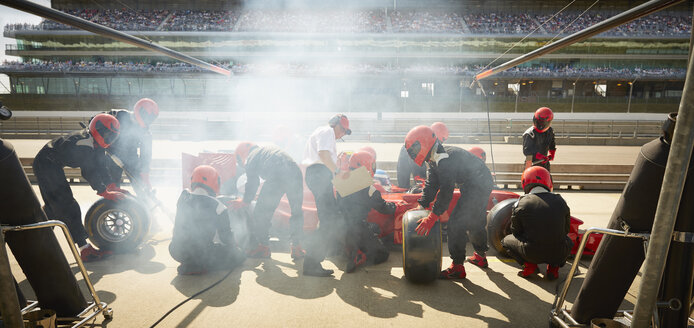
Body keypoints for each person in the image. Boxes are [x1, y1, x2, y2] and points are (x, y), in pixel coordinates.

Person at [404, 125, 493, 279]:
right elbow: (432, 184)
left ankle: (458, 266)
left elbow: (446, 191)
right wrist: (422, 205)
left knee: (456, 224)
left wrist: (433, 217)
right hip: (474, 182)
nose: (412, 154)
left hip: (479, 184)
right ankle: (480, 256)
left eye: (414, 149)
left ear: (423, 143)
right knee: (475, 221)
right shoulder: (433, 158)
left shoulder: (444, 159)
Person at [33, 114, 123, 262]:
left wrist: (111, 185)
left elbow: (101, 165)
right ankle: (85, 249)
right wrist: (103, 191)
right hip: (46, 164)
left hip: (52, 164)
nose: (109, 139)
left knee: (53, 208)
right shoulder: (85, 143)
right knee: (68, 205)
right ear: (98, 129)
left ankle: (37, 245)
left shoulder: (96, 143)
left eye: (112, 137)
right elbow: (89, 171)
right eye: (107, 134)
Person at [231, 142, 305, 261]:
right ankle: (296, 247)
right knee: (296, 212)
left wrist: (245, 200)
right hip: (295, 171)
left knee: (260, 213)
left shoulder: (252, 156)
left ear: (242, 154)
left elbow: (253, 182)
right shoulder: (267, 150)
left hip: (277, 174)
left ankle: (263, 247)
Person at [169, 165, 245, 275]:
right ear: (215, 182)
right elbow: (226, 238)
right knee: (238, 256)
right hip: (201, 253)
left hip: (176, 250)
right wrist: (235, 247)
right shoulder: (218, 206)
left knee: (195, 248)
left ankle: (189, 263)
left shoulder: (183, 198)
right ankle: (197, 266)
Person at [301, 114, 351, 277]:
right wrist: (337, 171)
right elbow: (323, 154)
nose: (342, 133)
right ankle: (311, 261)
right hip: (319, 174)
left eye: (345, 131)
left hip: (319, 174)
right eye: (342, 129)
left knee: (328, 218)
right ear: (334, 124)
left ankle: (314, 259)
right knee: (328, 219)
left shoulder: (323, 132)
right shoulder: (327, 131)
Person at [501, 166, 573, 280]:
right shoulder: (561, 201)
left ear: (525, 182)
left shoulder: (521, 202)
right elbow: (566, 230)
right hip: (558, 252)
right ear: (548, 182)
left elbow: (515, 231)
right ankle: (553, 269)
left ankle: (529, 267)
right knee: (568, 241)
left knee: (505, 241)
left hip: (531, 252)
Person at [338, 151, 396, 273]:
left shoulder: (341, 182)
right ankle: (360, 255)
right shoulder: (367, 187)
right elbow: (383, 208)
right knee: (383, 254)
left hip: (341, 229)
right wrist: (394, 207)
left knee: (373, 228)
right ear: (366, 166)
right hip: (357, 229)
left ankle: (350, 250)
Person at [102, 98, 159, 193]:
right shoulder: (118, 115)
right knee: (113, 189)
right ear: (141, 112)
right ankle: (113, 206)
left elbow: (146, 155)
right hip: (111, 154)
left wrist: (145, 175)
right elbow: (96, 120)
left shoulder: (146, 132)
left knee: (141, 187)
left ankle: (145, 201)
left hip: (131, 157)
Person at [396, 122, 449, 189]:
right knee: (420, 184)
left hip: (405, 149)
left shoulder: (423, 132)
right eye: (442, 141)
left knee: (402, 185)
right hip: (415, 152)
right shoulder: (430, 138)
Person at [523, 107, 556, 171]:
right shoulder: (529, 133)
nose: (540, 124)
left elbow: (552, 143)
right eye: (538, 121)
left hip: (544, 162)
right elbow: (527, 151)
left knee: (548, 179)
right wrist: (540, 156)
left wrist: (552, 154)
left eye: (542, 122)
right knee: (529, 179)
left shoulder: (550, 131)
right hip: (531, 163)